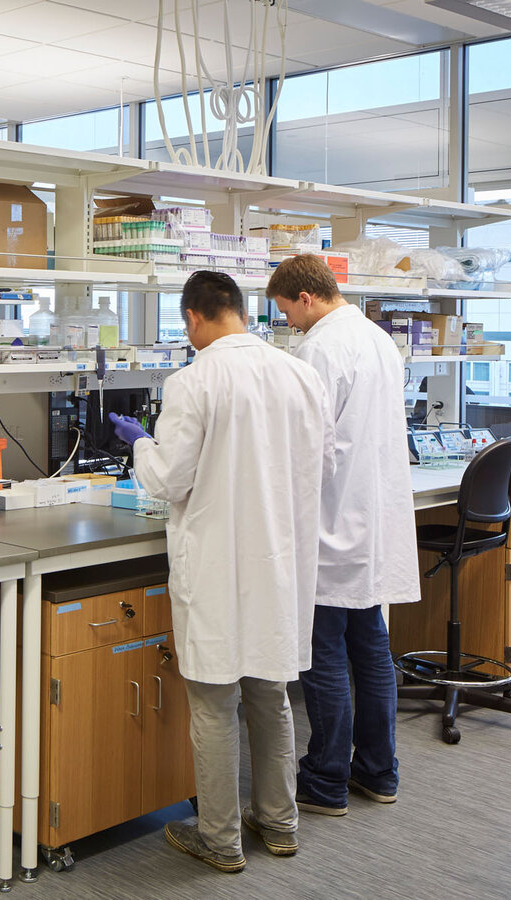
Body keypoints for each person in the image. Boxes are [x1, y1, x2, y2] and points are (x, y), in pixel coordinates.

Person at [109, 270, 331, 873]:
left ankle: (220, 839)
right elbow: (319, 460)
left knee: (212, 704)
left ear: (193, 318)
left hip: (217, 564)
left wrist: (138, 445)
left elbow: (165, 479)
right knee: (272, 696)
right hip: (279, 563)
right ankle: (280, 825)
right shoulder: (301, 374)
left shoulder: (194, 379)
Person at [268, 254, 419, 817]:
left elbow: (311, 447)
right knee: (372, 650)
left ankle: (326, 780)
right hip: (372, 522)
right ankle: (379, 772)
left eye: (287, 313)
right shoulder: (379, 339)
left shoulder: (319, 348)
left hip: (332, 525)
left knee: (323, 654)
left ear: (306, 298)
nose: (289, 324)